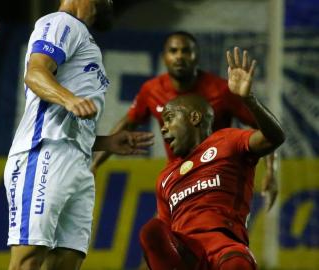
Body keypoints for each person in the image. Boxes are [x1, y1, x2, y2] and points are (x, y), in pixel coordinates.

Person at [3, 1, 153, 270]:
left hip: (78, 160)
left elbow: (67, 120)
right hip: (45, 152)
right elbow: (35, 73)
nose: (109, 4)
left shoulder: (84, 39)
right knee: (28, 258)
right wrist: (69, 99)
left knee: (68, 260)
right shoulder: (60, 23)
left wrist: (104, 142)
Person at [91, 31, 278, 210]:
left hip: (215, 178)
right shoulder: (152, 89)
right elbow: (128, 123)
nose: (180, 56)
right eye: (173, 51)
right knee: (161, 236)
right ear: (164, 57)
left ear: (197, 56)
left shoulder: (221, 90)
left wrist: (271, 170)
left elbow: (264, 129)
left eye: (186, 51)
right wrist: (95, 164)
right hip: (177, 178)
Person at [139, 47, 285, 270]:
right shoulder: (166, 178)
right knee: (151, 231)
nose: (163, 128)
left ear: (194, 117)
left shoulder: (227, 141)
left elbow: (274, 137)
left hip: (225, 248)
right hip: (189, 257)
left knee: (236, 261)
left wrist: (249, 100)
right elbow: (165, 241)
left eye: (169, 119)